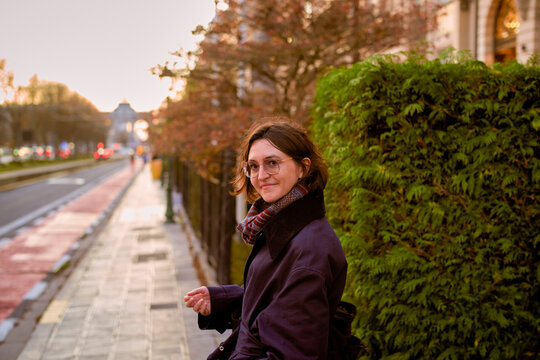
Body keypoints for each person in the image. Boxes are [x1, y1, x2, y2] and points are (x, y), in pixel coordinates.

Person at [184, 118, 347, 359]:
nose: (261, 176)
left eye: (272, 163)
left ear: (303, 167)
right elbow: (276, 300)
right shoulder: (278, 225)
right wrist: (223, 300)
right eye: (253, 166)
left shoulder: (308, 252)